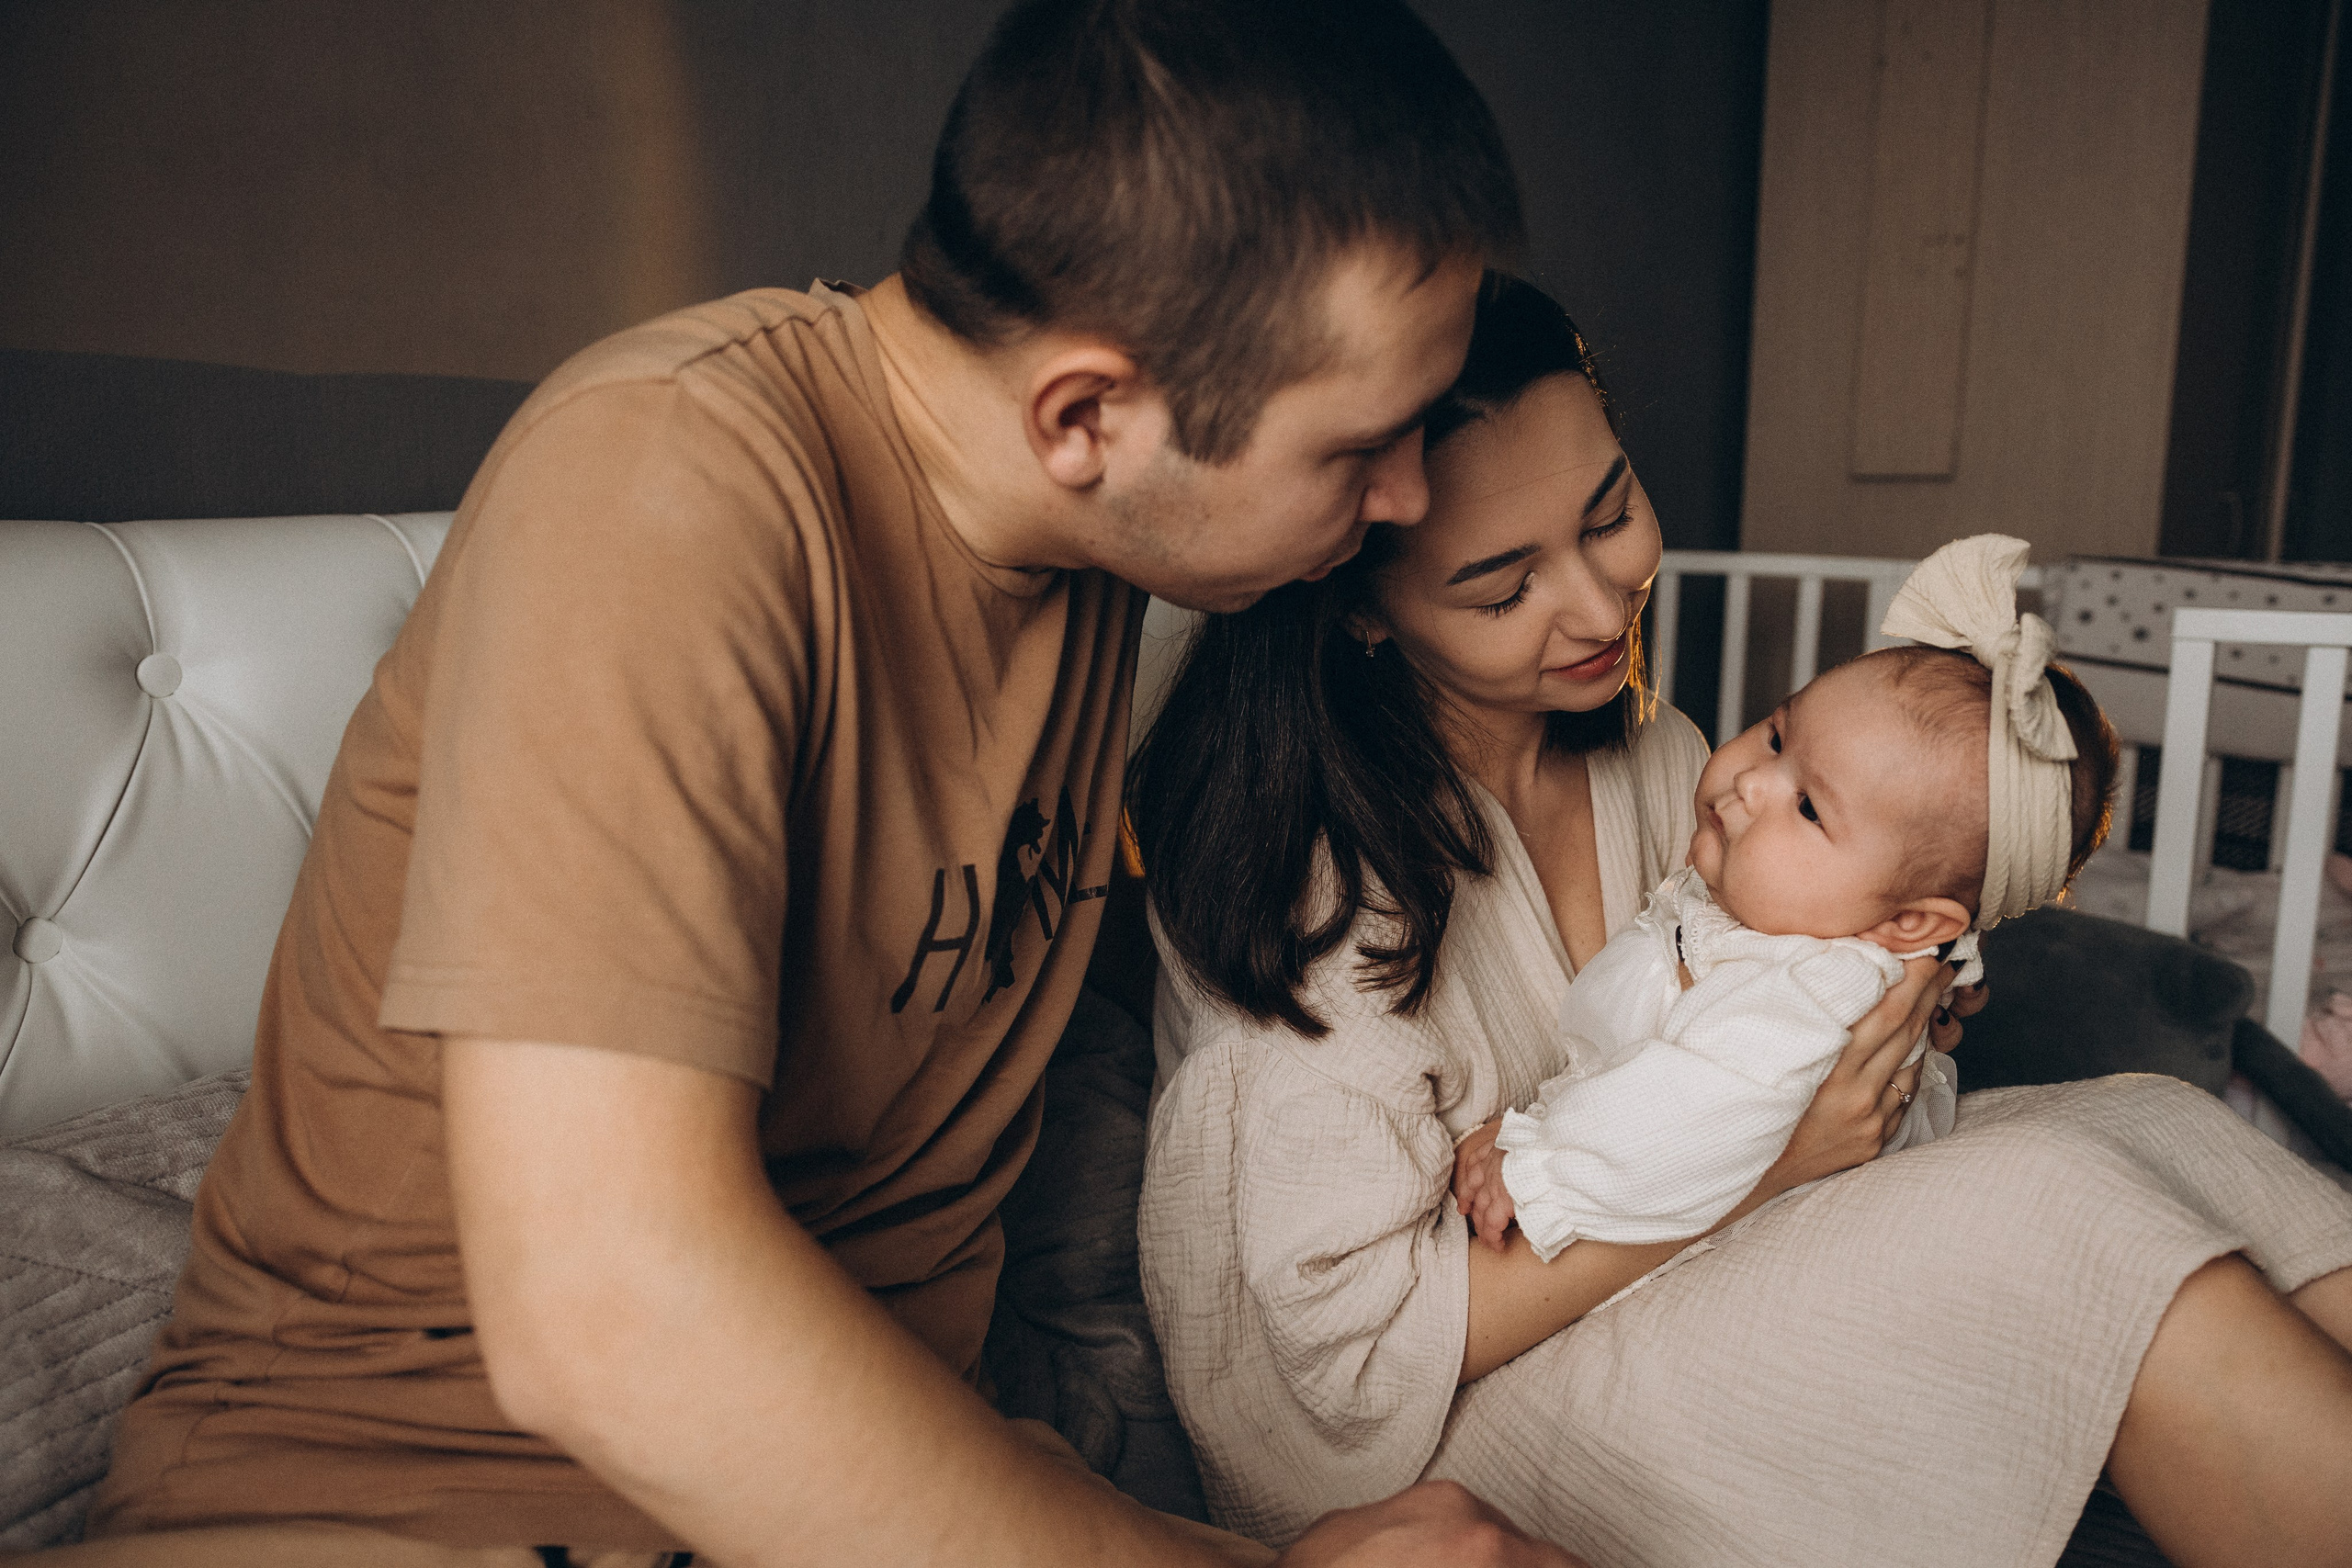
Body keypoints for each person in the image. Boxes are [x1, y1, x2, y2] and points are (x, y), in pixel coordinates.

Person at [53, 6, 1581, 1566]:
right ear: (1086, 415)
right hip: (411, 1497)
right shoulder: (667, 481)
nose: (1406, 497)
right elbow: (609, 1314)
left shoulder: (1103, 549)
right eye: (1361, 448)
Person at [1134, 274, 2352, 1566]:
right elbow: (1344, 1365)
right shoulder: (1312, 890)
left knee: (2154, 1121)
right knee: (2065, 1210)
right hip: (1439, 1412)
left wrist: (1899, 995)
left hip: (1674, 1236)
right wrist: (1768, 1165)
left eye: (1610, 514)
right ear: (1363, 601)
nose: (1605, 611)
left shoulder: (1662, 765)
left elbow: (1749, 995)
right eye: (1504, 590)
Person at [1454, 536, 2118, 1258]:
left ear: (1906, 922)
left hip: (1753, 1246)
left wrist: (1537, 1167)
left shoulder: (1807, 987)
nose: (1751, 782)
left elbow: (1689, 1111)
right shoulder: (1827, 921)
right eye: (1776, 735)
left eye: (1808, 808)